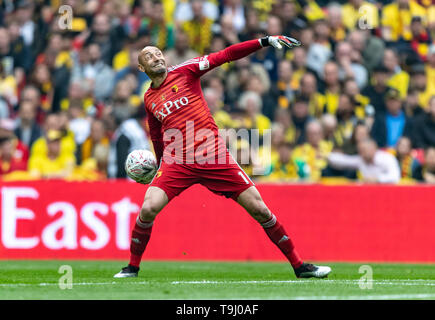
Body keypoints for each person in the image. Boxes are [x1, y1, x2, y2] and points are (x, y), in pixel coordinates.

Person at [114, 35, 331, 279]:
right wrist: (160, 166)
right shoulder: (149, 98)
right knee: (148, 207)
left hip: (213, 156)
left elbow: (225, 55)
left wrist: (264, 41)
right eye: (149, 57)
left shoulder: (186, 71)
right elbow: (156, 134)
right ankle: (132, 267)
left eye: (157, 53)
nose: (156, 58)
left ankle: (300, 266)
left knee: (259, 209)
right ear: (141, 68)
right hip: (177, 163)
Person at [327, 138, 401, 184]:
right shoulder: (361, 159)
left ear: (373, 148)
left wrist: (377, 179)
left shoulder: (387, 158)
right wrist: (325, 155)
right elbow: (344, 160)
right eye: (359, 151)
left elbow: (395, 177)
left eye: (363, 150)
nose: (361, 153)